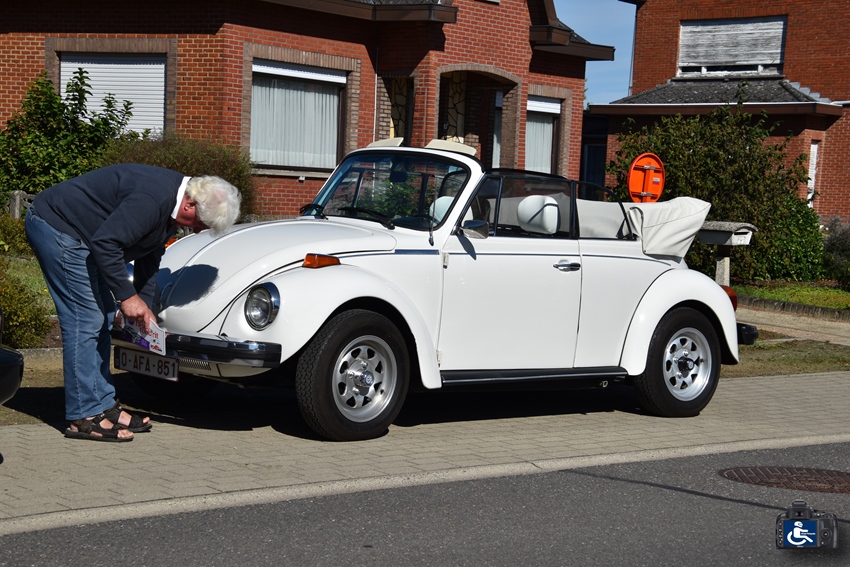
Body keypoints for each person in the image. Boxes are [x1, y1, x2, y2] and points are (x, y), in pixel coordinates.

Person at [25, 164, 242, 442]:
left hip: (86, 237)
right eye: (200, 223)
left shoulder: (173, 206)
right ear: (190, 204)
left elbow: (150, 254)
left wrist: (144, 304)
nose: (198, 230)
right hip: (58, 227)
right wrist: (127, 297)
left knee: (103, 316)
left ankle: (103, 405)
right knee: (85, 320)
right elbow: (106, 243)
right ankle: (84, 415)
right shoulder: (153, 199)